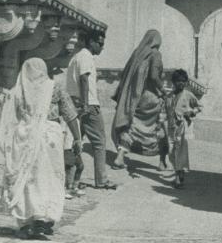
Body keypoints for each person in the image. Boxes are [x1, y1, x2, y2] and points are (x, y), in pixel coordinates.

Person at [0, 57, 82, 240]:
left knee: (29, 179)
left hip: (25, 138)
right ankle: (44, 218)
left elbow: (9, 118)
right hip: (50, 138)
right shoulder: (54, 87)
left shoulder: (18, 90)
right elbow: (70, 114)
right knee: (49, 178)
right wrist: (78, 138)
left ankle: (29, 221)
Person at [65, 34, 116, 190]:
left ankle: (69, 180)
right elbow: (84, 79)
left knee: (76, 141)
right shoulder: (86, 57)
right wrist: (87, 104)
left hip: (74, 103)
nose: (102, 47)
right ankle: (101, 180)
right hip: (89, 104)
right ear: (91, 42)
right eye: (100, 43)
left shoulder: (76, 57)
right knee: (100, 142)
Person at [111, 29, 165, 169]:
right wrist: (163, 90)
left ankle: (120, 157)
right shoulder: (155, 54)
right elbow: (153, 76)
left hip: (136, 98)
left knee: (131, 126)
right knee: (161, 126)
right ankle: (162, 162)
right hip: (150, 97)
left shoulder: (137, 53)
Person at [165, 68, 201, 189]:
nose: (180, 83)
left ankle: (177, 178)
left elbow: (199, 106)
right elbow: (165, 111)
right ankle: (180, 173)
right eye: (178, 81)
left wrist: (191, 112)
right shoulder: (169, 96)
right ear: (173, 82)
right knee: (170, 151)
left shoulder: (188, 95)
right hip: (170, 127)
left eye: (183, 81)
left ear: (186, 82)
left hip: (182, 126)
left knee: (179, 151)